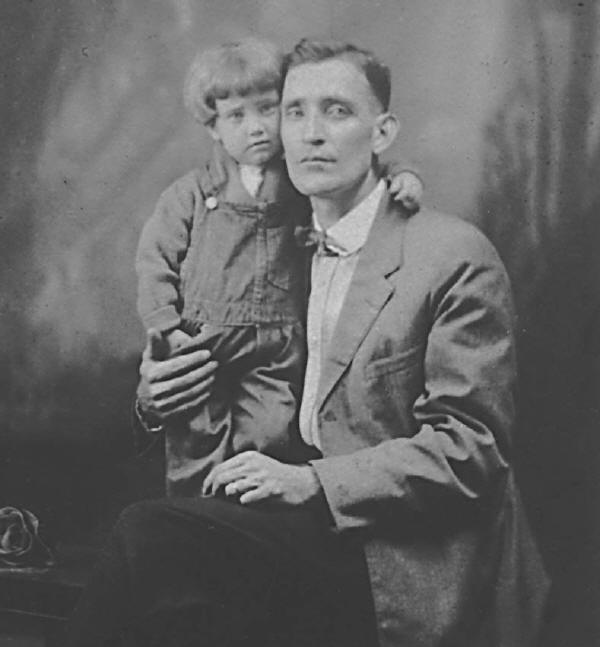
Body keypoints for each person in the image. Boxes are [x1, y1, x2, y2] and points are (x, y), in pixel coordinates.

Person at [67, 38, 549, 647]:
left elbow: (472, 450)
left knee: (153, 539)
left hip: (396, 551)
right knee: (171, 588)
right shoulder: (271, 243)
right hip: (289, 524)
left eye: (337, 111)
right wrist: (154, 400)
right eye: (294, 111)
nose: (312, 133)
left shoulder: (452, 256)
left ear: (382, 132)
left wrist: (312, 482)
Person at [134, 37, 423, 496]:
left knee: (269, 428)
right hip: (206, 335)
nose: (256, 128)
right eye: (236, 116)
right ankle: (194, 509)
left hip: (278, 336)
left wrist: (403, 175)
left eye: (267, 109)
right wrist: (165, 325)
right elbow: (156, 261)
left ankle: (244, 504)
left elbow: (371, 165)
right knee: (197, 428)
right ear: (213, 129)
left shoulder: (301, 177)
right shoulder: (194, 192)